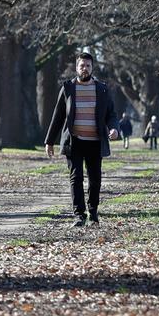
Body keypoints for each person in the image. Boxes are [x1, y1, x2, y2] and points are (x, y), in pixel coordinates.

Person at [44, 52, 119, 228]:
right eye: (81, 66)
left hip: (94, 142)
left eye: (88, 66)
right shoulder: (68, 88)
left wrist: (114, 128)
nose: (84, 69)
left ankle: (93, 212)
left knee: (95, 179)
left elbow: (111, 114)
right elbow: (58, 116)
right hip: (74, 141)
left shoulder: (101, 88)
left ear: (92, 68)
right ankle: (79, 215)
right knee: (75, 177)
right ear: (76, 68)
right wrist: (49, 141)